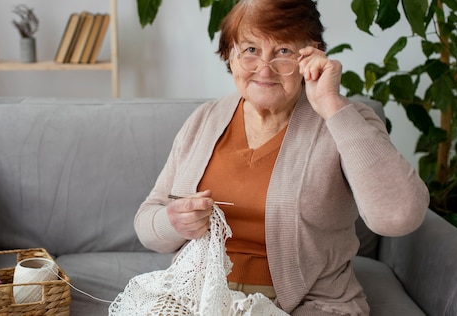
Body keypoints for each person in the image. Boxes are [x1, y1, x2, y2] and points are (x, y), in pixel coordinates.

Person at [134, 0, 429, 315]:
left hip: (309, 305)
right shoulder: (203, 120)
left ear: (310, 55)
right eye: (250, 50)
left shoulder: (347, 120)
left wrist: (330, 103)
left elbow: (400, 217)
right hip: (197, 298)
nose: (264, 69)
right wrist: (174, 221)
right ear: (229, 55)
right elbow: (147, 223)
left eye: (283, 51)